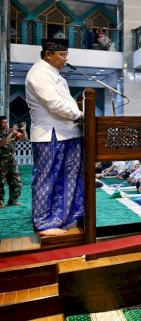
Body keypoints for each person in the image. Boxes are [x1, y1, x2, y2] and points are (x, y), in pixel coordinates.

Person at [25, 38, 84, 236]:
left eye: (67, 54)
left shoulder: (56, 74)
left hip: (67, 133)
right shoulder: (39, 73)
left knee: (67, 178)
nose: (66, 59)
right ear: (48, 54)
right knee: (46, 178)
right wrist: (80, 115)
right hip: (51, 134)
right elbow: (54, 104)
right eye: (62, 55)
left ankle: (61, 217)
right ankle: (43, 223)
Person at [0, 117, 28, 208]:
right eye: (3, 123)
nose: (6, 124)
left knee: (16, 181)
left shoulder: (12, 132)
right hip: (1, 163)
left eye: (6, 122)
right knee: (1, 182)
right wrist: (11, 132)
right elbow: (2, 144)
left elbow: (24, 139)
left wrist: (23, 130)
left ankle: (13, 200)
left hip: (12, 161)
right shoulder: (9, 132)